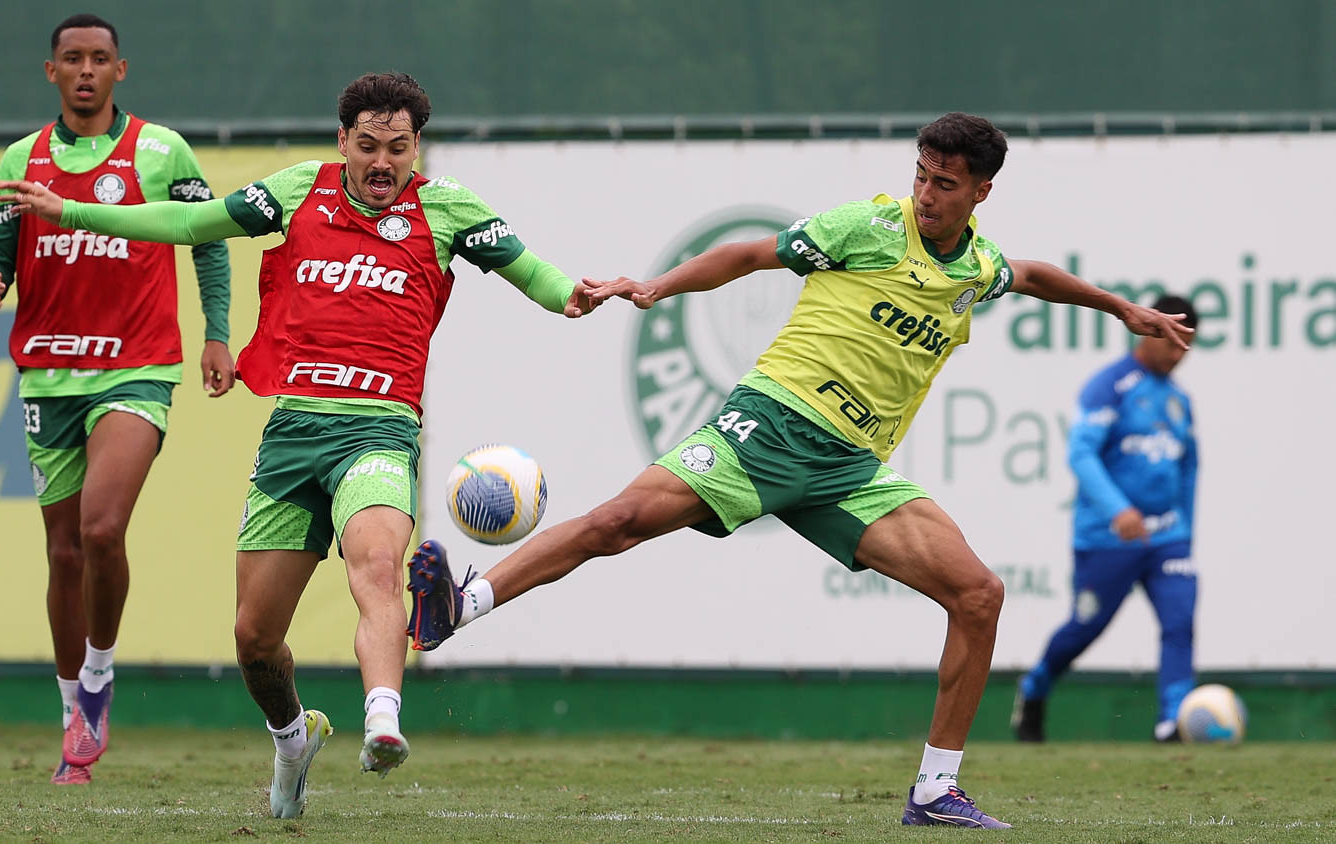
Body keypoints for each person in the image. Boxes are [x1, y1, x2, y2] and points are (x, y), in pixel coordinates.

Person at [405, 112, 1195, 830]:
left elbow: (1031, 274)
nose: (925, 193)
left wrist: (1122, 309)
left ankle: (935, 789)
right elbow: (751, 254)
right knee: (619, 523)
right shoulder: (870, 226)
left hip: (851, 471)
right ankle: (457, 609)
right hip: (770, 426)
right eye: (921, 174)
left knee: (979, 596)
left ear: (981, 191)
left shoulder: (974, 266)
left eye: (945, 184)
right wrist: (656, 284)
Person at [0, 71, 602, 817]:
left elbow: (532, 270)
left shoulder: (446, 209)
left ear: (418, 148)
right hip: (292, 436)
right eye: (369, 145)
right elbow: (192, 226)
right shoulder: (297, 192)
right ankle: (291, 739)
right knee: (254, 641)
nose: (383, 163)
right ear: (343, 139)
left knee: (378, 566)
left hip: (380, 428)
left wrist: (570, 294)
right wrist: (74, 210)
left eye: (400, 148)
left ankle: (383, 719)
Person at [0, 13, 232, 786]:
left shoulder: (161, 151)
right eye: (72, 59)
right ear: (50, 72)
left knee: (103, 527)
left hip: (136, 370)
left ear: (123, 70)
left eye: (100, 59)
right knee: (63, 553)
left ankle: (99, 674)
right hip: (49, 375)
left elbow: (208, 235)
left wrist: (218, 332)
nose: (86, 70)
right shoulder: (22, 159)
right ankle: (71, 719)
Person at [1013, 295, 1200, 744]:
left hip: (1168, 537)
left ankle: (1172, 721)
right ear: (1152, 333)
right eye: (1172, 343)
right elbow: (1081, 454)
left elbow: (1189, 467)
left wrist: (1186, 530)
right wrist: (1119, 510)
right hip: (1107, 538)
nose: (1178, 356)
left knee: (1179, 622)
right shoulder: (1110, 386)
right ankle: (1035, 688)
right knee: (1085, 628)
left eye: (1186, 347)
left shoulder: (1179, 401)